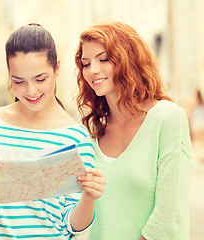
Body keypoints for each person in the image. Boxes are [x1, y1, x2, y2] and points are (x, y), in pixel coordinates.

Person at [0, 23, 105, 239]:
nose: (31, 91)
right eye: (19, 81)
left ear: (56, 68)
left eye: (41, 79)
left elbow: (74, 225)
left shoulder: (76, 137)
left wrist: (89, 197)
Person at [74, 21, 193, 240]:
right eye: (86, 63)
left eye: (104, 59)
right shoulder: (92, 130)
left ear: (127, 59)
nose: (93, 70)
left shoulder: (168, 118)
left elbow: (169, 216)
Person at [189, 89, 204, 163]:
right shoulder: (203, 102)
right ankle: (202, 156)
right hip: (202, 122)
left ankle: (199, 156)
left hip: (196, 123)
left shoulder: (194, 103)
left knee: (197, 141)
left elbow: (191, 114)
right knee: (202, 141)